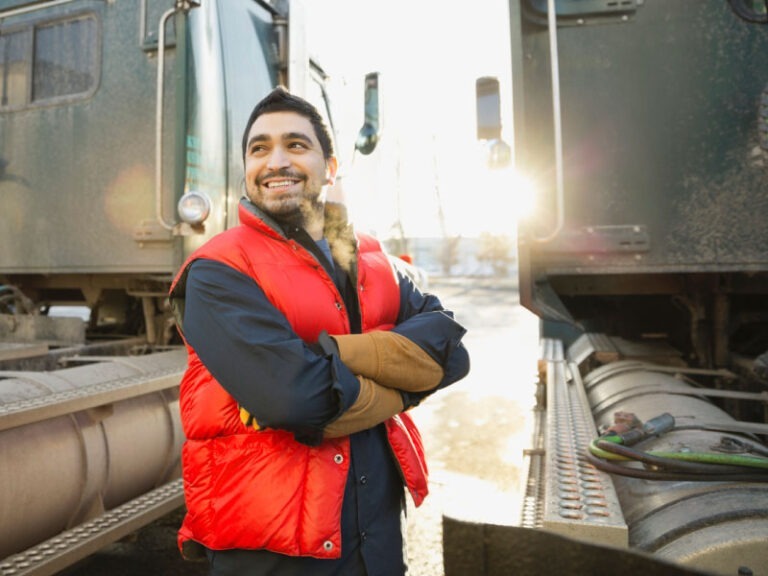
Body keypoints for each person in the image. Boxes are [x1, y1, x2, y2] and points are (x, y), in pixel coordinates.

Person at [168, 86, 470, 576]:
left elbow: (452, 355)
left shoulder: (373, 260)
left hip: (375, 538)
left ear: (330, 167)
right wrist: (404, 379)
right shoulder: (219, 269)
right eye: (259, 148)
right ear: (246, 170)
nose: (276, 160)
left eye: (296, 145)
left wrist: (331, 356)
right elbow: (296, 400)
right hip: (273, 550)